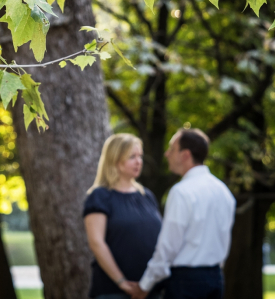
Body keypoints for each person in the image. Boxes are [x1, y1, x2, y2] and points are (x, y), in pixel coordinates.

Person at [135, 128, 236, 299]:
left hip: (186, 282)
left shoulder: (181, 192)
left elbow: (168, 246)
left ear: (185, 155)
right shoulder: (224, 192)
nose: (167, 154)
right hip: (215, 279)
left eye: (172, 149)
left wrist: (145, 285)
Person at [83, 134, 163, 299]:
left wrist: (148, 283)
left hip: (150, 290)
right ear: (116, 160)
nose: (138, 161)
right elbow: (96, 243)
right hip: (113, 292)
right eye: (132, 157)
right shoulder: (100, 196)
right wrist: (122, 282)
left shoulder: (146, 195)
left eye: (140, 156)